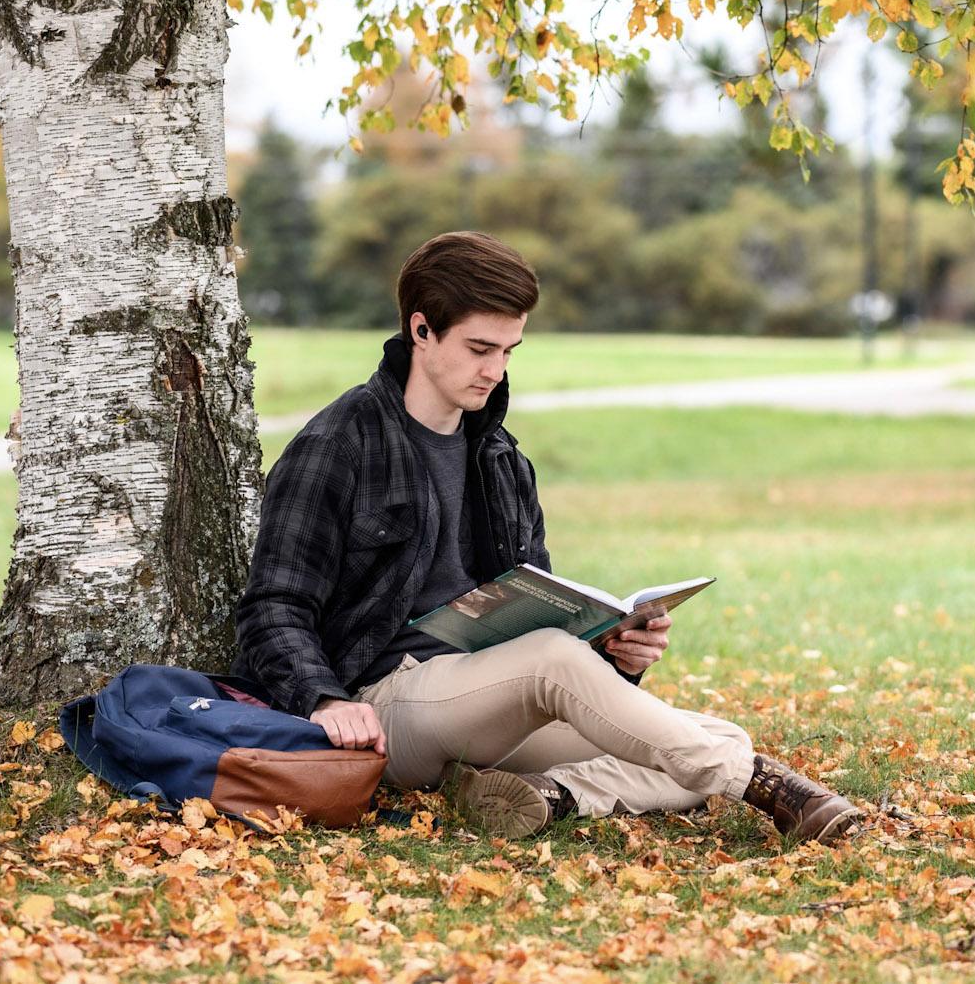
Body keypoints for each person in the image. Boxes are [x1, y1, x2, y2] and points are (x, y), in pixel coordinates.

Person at [232, 230, 863, 841]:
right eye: (481, 348)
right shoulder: (337, 445)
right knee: (577, 678)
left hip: (494, 697)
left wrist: (612, 648)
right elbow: (274, 607)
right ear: (421, 330)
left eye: (509, 352)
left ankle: (549, 798)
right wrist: (322, 701)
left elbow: (534, 604)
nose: (495, 370)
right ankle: (772, 790)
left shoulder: (500, 458)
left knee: (714, 737)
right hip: (386, 704)